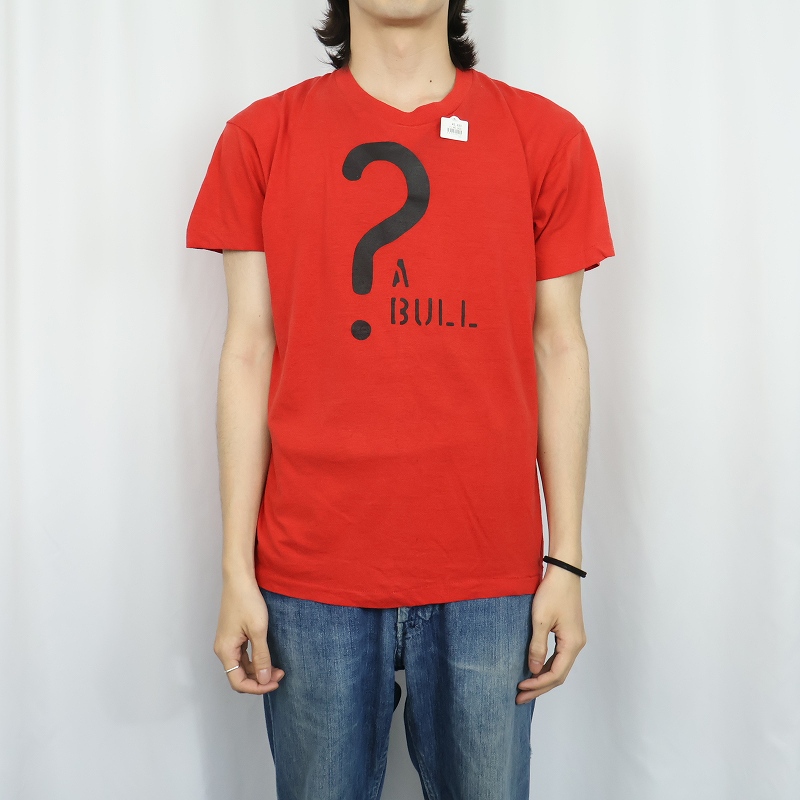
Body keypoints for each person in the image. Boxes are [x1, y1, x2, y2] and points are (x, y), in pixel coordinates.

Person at [186, 1, 615, 797]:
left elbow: (560, 346)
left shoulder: (545, 138)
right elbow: (248, 349)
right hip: (310, 571)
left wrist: (565, 560)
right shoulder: (261, 138)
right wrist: (235, 569)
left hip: (491, 570)